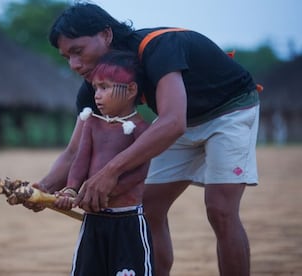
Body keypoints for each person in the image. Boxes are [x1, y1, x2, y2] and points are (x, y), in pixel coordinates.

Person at [25, 3, 260, 276]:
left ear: (106, 35)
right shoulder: (95, 85)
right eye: (67, 57)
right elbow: (73, 152)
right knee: (146, 208)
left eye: (78, 51)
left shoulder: (158, 47)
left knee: (220, 209)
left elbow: (173, 122)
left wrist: (110, 171)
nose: (74, 65)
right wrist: (41, 190)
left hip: (230, 110)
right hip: (179, 122)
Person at [54, 50, 153, 276]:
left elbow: (139, 172)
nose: (97, 95)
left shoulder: (141, 129)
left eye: (105, 87)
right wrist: (71, 189)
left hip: (127, 220)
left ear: (130, 90)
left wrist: (108, 192)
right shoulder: (92, 124)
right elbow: (80, 161)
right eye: (95, 88)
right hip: (93, 220)